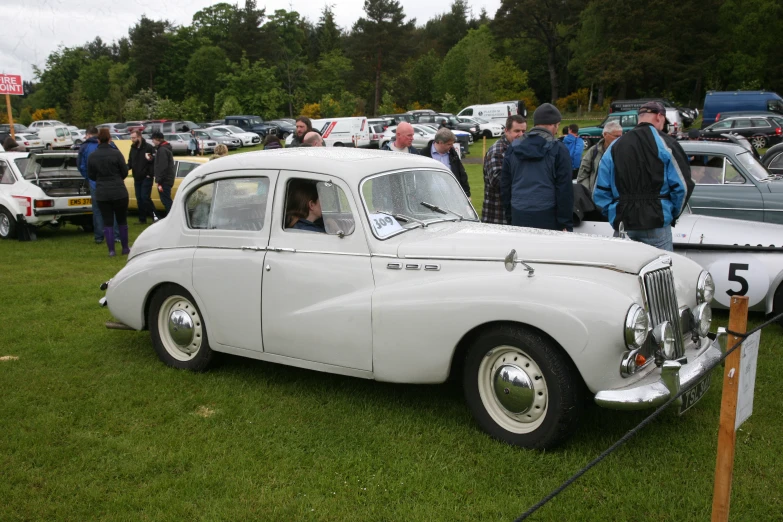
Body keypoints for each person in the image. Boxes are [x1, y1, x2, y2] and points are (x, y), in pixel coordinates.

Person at [593, 101, 693, 251]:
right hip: (656, 221)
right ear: (659, 117)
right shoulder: (667, 144)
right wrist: (670, 214)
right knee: (661, 271)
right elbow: (682, 187)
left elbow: (600, 191)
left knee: (622, 272)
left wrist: (614, 213)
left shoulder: (615, 147)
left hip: (623, 222)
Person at [500, 103, 573, 231]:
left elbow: (505, 185)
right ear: (553, 124)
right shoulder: (558, 149)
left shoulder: (513, 147)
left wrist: (510, 214)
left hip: (519, 212)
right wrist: (565, 222)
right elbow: (564, 188)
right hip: (547, 214)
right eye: (558, 126)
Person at [87, 128, 130, 256]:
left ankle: (111, 250)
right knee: (122, 220)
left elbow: (91, 175)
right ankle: (125, 248)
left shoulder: (92, 156)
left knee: (107, 221)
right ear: (110, 139)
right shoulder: (116, 154)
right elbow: (124, 171)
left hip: (102, 192)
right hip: (119, 191)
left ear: (98, 140)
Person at [481, 115, 526, 224]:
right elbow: (498, 181)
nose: (521, 134)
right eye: (517, 131)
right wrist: (524, 181)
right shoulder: (498, 150)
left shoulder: (520, 148)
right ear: (506, 130)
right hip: (497, 215)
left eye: (523, 131)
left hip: (513, 212)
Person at [78, 126, 119, 244]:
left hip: (95, 183)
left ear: (88, 135)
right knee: (114, 209)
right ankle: (116, 235)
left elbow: (81, 165)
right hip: (112, 182)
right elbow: (120, 163)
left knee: (97, 210)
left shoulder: (85, 147)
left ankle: (99, 236)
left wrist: (89, 178)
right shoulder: (112, 145)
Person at [420, 128, 470, 196]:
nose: (452, 146)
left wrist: (467, 194)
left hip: (451, 197)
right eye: (449, 144)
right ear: (440, 142)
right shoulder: (423, 154)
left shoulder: (453, 154)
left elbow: (462, 174)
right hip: (430, 197)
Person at [576, 121, 623, 192]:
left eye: (621, 136)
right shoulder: (593, 151)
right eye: (616, 136)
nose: (619, 139)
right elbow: (582, 175)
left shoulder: (624, 152)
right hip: (596, 198)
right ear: (605, 134)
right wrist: (588, 193)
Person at [127, 130, 156, 224]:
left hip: (146, 177)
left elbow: (153, 162)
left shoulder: (148, 148)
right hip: (137, 177)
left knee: (145, 197)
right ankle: (142, 219)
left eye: (134, 138)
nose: (132, 140)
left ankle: (155, 216)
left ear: (139, 137)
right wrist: (123, 169)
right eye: (131, 138)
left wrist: (150, 174)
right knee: (139, 198)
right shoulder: (133, 148)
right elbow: (130, 162)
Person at [150, 131, 175, 214]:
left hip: (164, 180)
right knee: (166, 199)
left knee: (166, 200)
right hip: (167, 179)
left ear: (157, 139)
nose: (152, 141)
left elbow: (162, 166)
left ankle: (172, 216)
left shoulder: (162, 150)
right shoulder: (164, 149)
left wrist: (159, 180)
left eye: (153, 139)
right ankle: (171, 216)